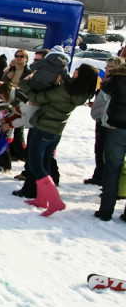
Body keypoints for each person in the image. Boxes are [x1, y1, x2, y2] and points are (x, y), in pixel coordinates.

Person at [19, 63, 99, 216]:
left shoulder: (64, 91)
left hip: (43, 128)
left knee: (36, 165)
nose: (74, 71)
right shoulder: (80, 92)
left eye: (77, 70)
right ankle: (42, 199)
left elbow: (36, 97)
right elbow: (67, 84)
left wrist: (25, 82)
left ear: (80, 75)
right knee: (45, 163)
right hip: (56, 132)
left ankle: (55, 201)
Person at [94, 61, 126, 221]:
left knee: (112, 170)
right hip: (117, 128)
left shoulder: (118, 78)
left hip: (117, 127)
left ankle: (106, 211)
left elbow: (103, 93)